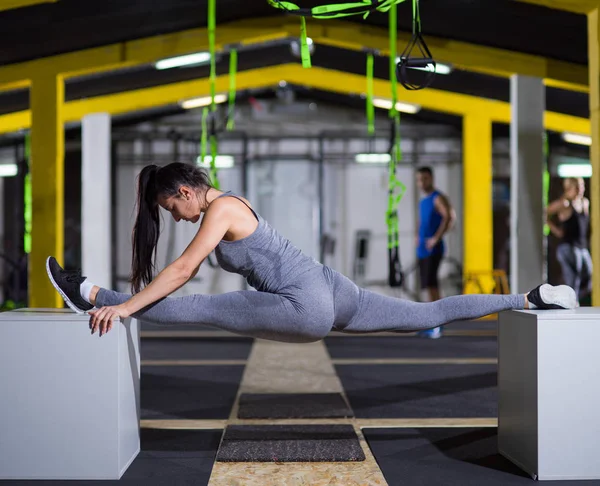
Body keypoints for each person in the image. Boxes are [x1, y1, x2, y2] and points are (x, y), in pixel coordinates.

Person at [46, 162, 576, 339]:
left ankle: (90, 292)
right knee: (424, 315)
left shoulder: (220, 210)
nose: (176, 218)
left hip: (309, 304)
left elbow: (184, 270)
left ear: (185, 193)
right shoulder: (229, 203)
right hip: (333, 289)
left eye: (171, 209)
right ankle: (534, 298)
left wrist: (123, 305)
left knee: (200, 306)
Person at [415, 166, 456, 339]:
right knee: (427, 286)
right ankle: (432, 323)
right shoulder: (423, 201)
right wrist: (418, 237)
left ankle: (437, 324)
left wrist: (436, 238)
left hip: (433, 249)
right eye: (419, 179)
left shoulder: (437, 198)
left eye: (425, 178)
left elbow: (450, 217)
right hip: (423, 250)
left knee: (432, 286)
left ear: (431, 179)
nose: (422, 182)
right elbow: (423, 223)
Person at [547, 177, 592, 305]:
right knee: (573, 277)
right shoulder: (564, 204)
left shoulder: (584, 203)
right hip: (568, 246)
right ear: (569, 189)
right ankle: (571, 302)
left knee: (588, 275)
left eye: (581, 186)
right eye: (577, 187)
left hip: (581, 246)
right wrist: (556, 230)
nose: (580, 190)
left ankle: (569, 299)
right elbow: (545, 213)